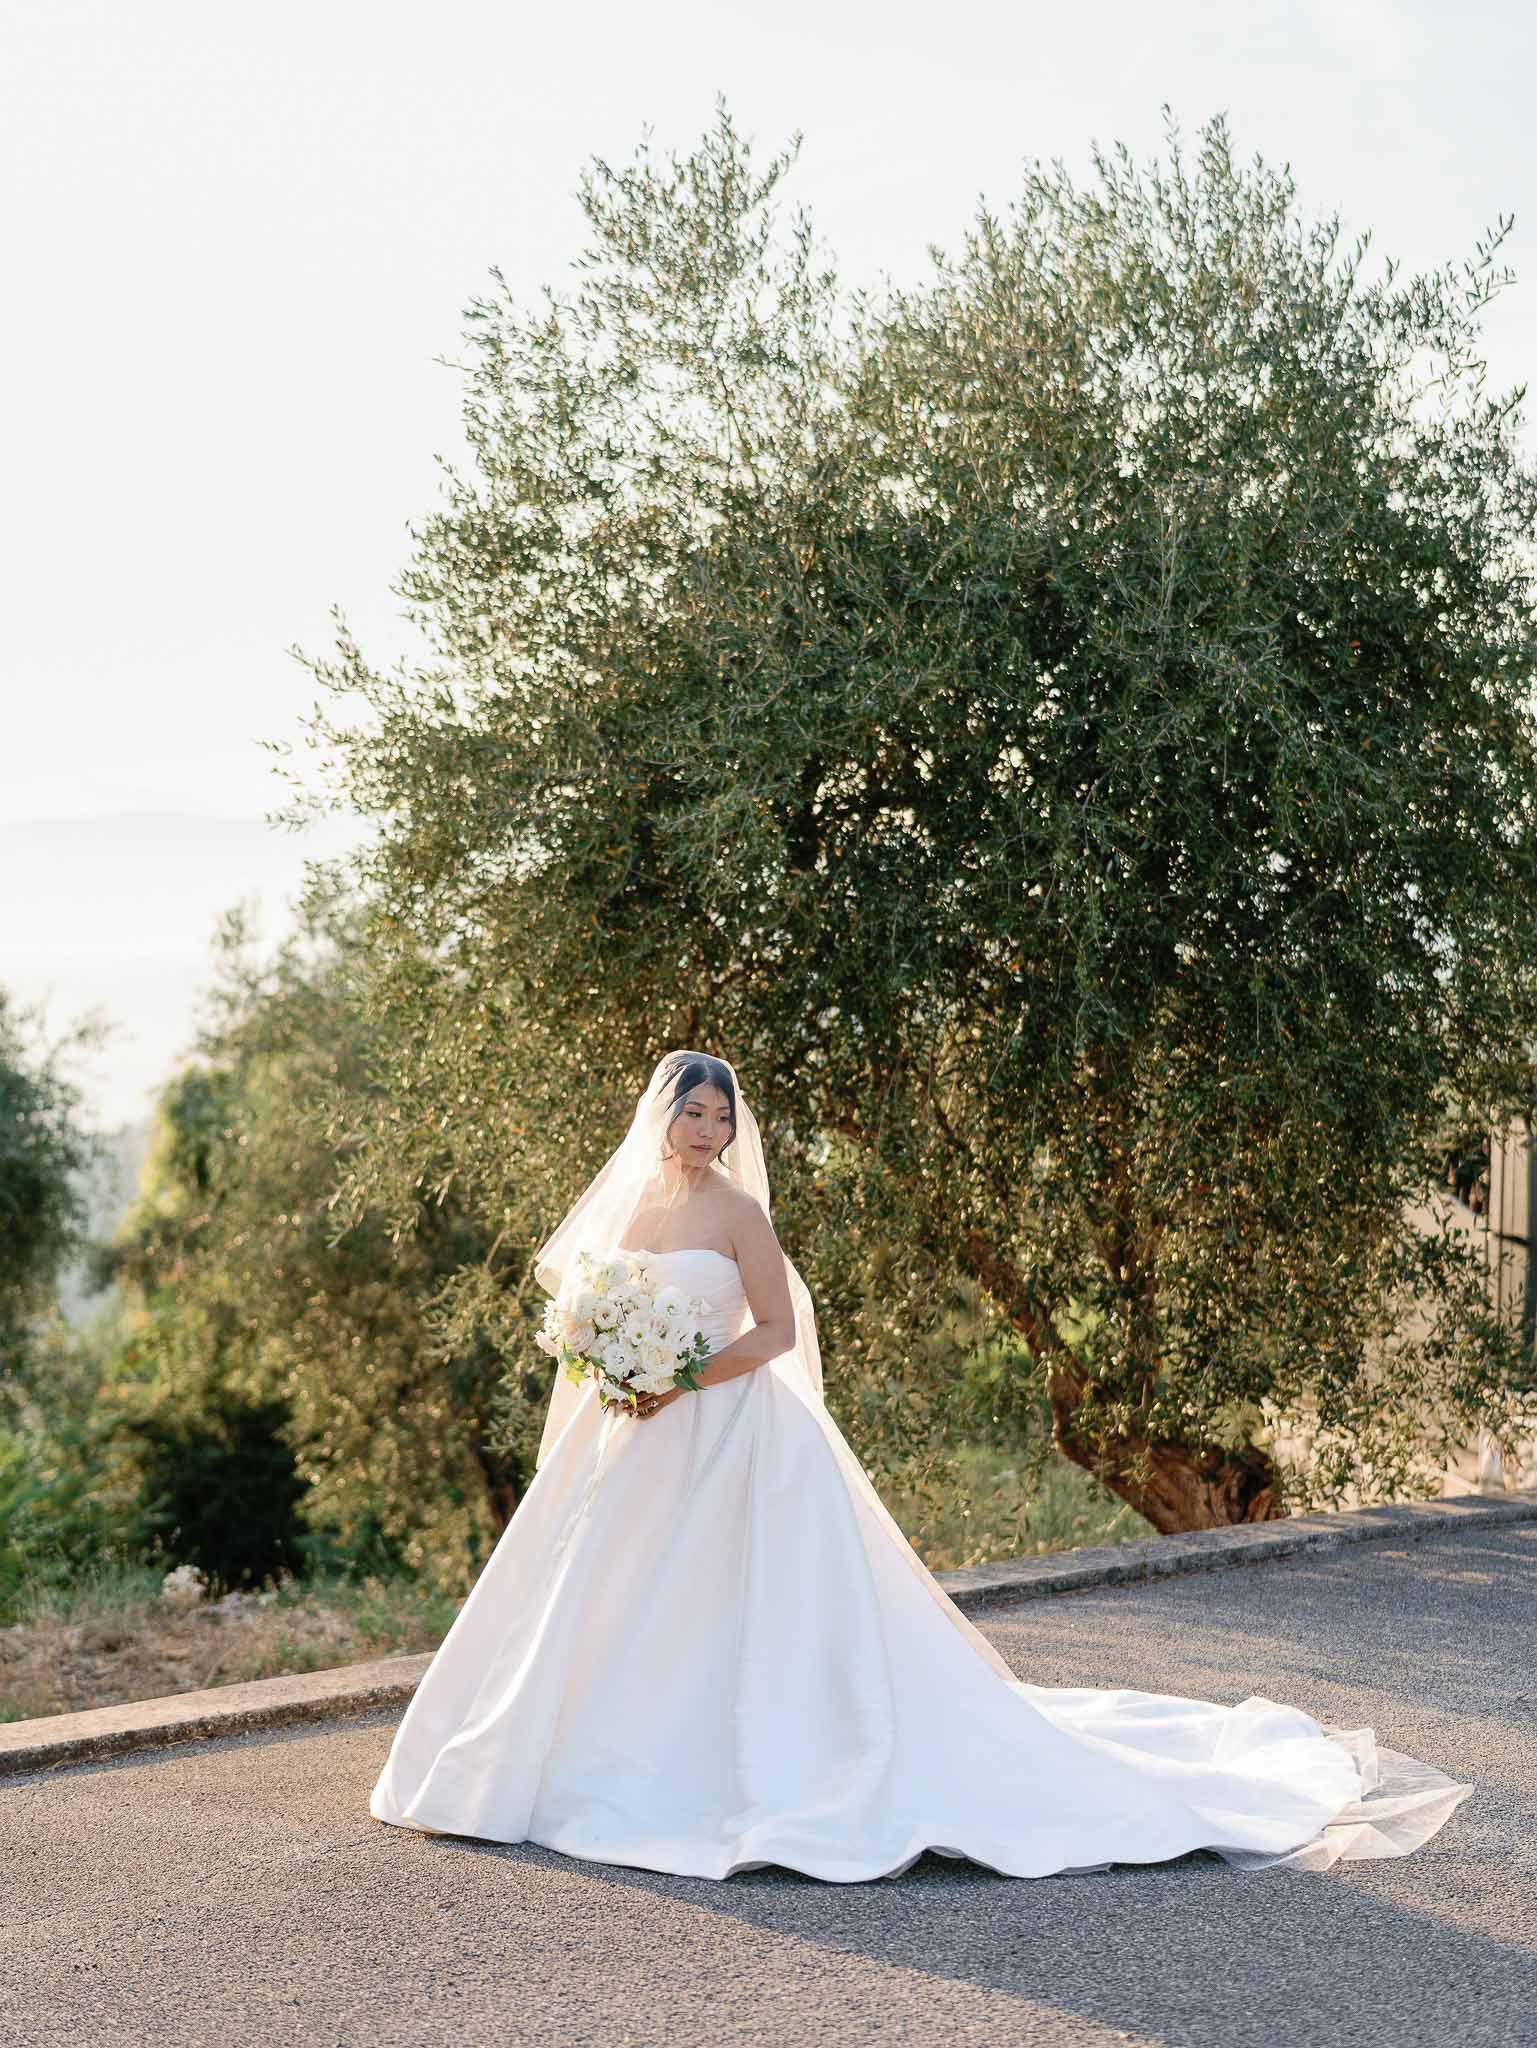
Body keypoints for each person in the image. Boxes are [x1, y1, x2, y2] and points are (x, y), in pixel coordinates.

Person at [368, 1049, 1470, 1881]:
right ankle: (572, 1761)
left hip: (727, 1426)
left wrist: (681, 1376)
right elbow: (588, 1311)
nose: (705, 1126)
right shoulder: (632, 1207)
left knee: (734, 1604)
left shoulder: (737, 1210)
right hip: (633, 1429)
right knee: (608, 1597)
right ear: (658, 1115)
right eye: (690, 1110)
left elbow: (772, 1332)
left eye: (720, 1113)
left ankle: (735, 1768)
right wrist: (615, 1362)